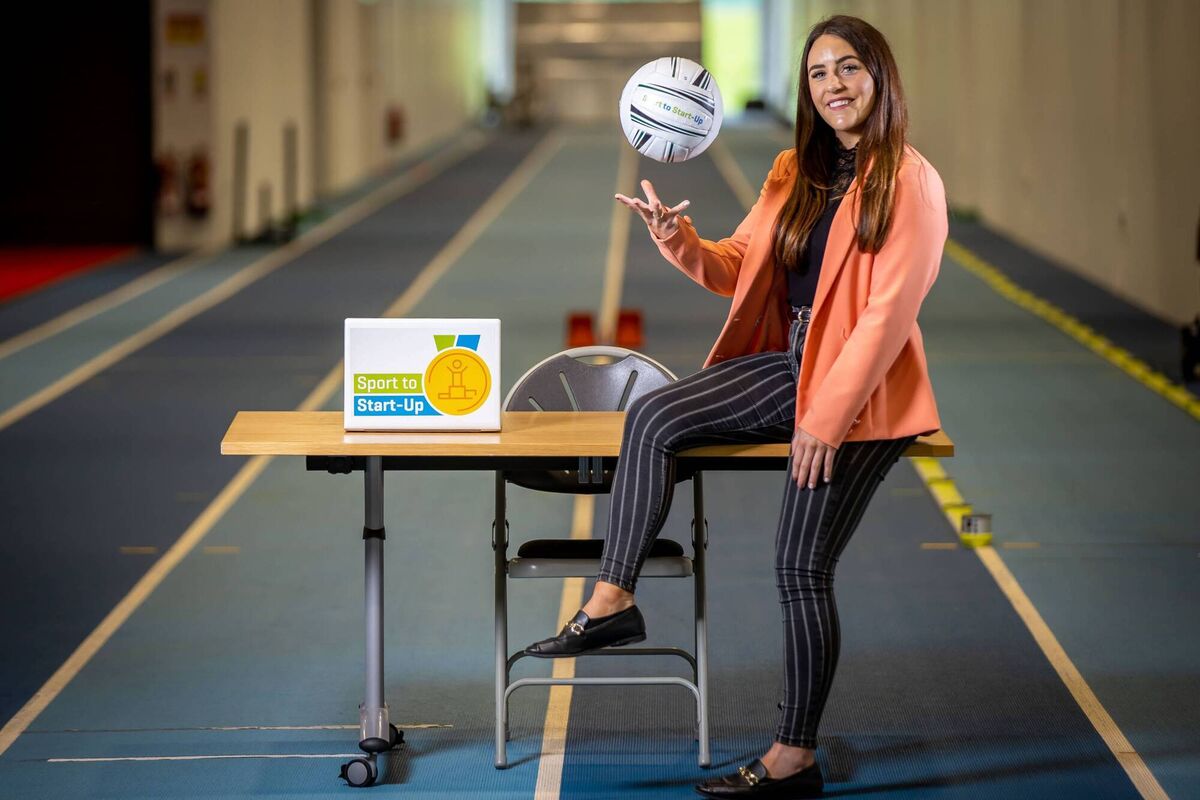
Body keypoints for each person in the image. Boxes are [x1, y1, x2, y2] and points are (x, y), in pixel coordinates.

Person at [524, 14, 947, 799]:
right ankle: (614, 597)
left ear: (880, 79)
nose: (834, 86)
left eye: (849, 69)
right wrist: (678, 239)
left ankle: (795, 754)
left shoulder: (909, 180)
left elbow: (888, 316)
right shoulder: (794, 171)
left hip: (862, 387)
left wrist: (826, 417)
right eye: (819, 74)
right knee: (653, 415)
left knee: (799, 566)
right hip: (789, 361)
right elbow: (736, 267)